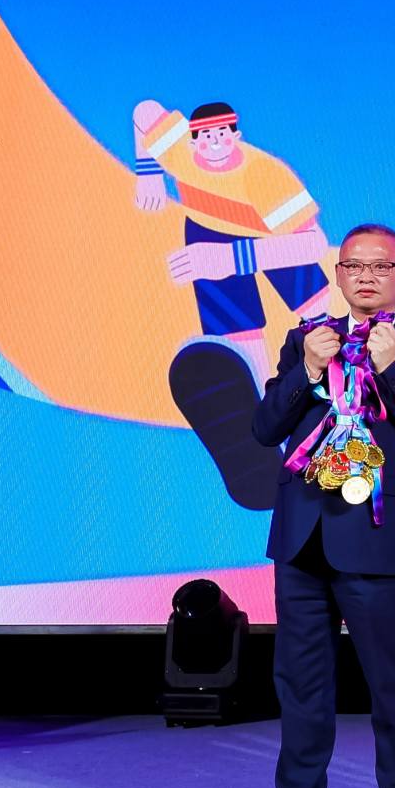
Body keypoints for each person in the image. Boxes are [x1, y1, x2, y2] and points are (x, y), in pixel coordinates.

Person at [229, 225, 395, 788]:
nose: (366, 277)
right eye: (354, 266)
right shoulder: (306, 339)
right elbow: (264, 427)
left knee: (392, 680)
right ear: (338, 273)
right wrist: (307, 367)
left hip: (379, 535)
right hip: (301, 535)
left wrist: (390, 370)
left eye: (380, 266)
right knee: (300, 680)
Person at [131, 98, 331, 510]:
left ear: (235, 135)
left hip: (275, 238)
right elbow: (144, 112)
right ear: (193, 141)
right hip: (210, 229)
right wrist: (147, 173)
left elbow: (313, 243)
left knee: (309, 301)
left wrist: (229, 259)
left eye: (222, 135)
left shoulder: (265, 175)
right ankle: (261, 415)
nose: (215, 144)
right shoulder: (179, 154)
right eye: (206, 137)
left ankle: (331, 390)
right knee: (235, 327)